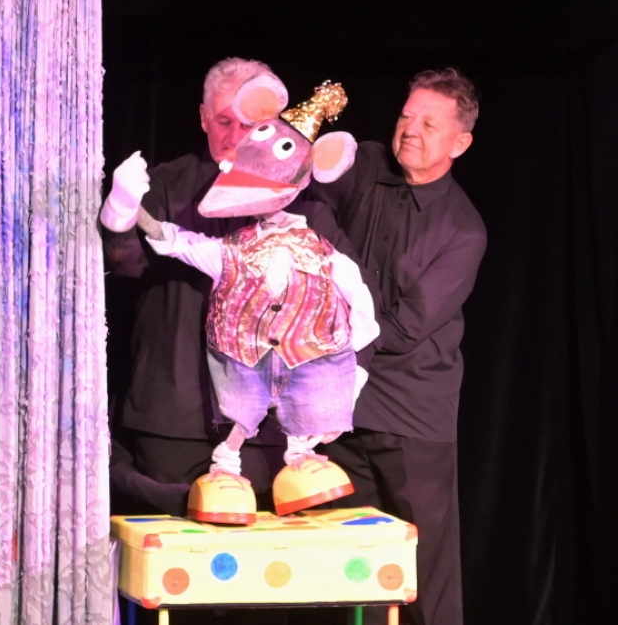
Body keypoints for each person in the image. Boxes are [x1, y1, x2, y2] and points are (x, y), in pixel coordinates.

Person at [294, 68, 487, 625]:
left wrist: (340, 269)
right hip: (338, 410)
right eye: (407, 115)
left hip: (410, 414)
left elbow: (401, 330)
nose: (411, 130)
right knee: (346, 569)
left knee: (424, 573)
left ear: (459, 143)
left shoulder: (463, 230)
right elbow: (302, 193)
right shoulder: (367, 162)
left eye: (429, 124)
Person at [101, 57, 292, 516]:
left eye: (250, 124)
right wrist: (120, 216)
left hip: (263, 428)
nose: (235, 135)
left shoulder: (296, 194)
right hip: (174, 417)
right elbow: (125, 264)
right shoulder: (169, 184)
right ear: (204, 117)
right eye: (224, 121)